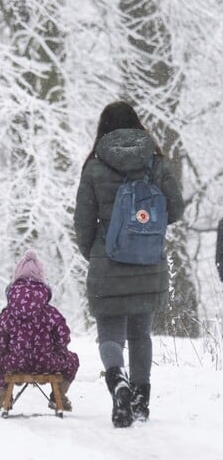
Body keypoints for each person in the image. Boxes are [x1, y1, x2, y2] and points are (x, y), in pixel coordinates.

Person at [73, 101, 184, 428]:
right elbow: (175, 210)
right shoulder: (156, 163)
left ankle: (117, 382)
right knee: (140, 335)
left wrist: (94, 252)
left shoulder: (94, 167)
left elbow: (82, 221)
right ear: (138, 125)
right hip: (148, 261)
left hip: (107, 260)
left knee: (109, 332)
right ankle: (141, 401)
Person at [0, 250, 79, 412]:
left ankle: (3, 395)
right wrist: (57, 349)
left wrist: (4, 350)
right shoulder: (50, 312)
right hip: (47, 362)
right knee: (73, 360)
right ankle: (59, 396)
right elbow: (63, 337)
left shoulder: (8, 312)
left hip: (14, 362)